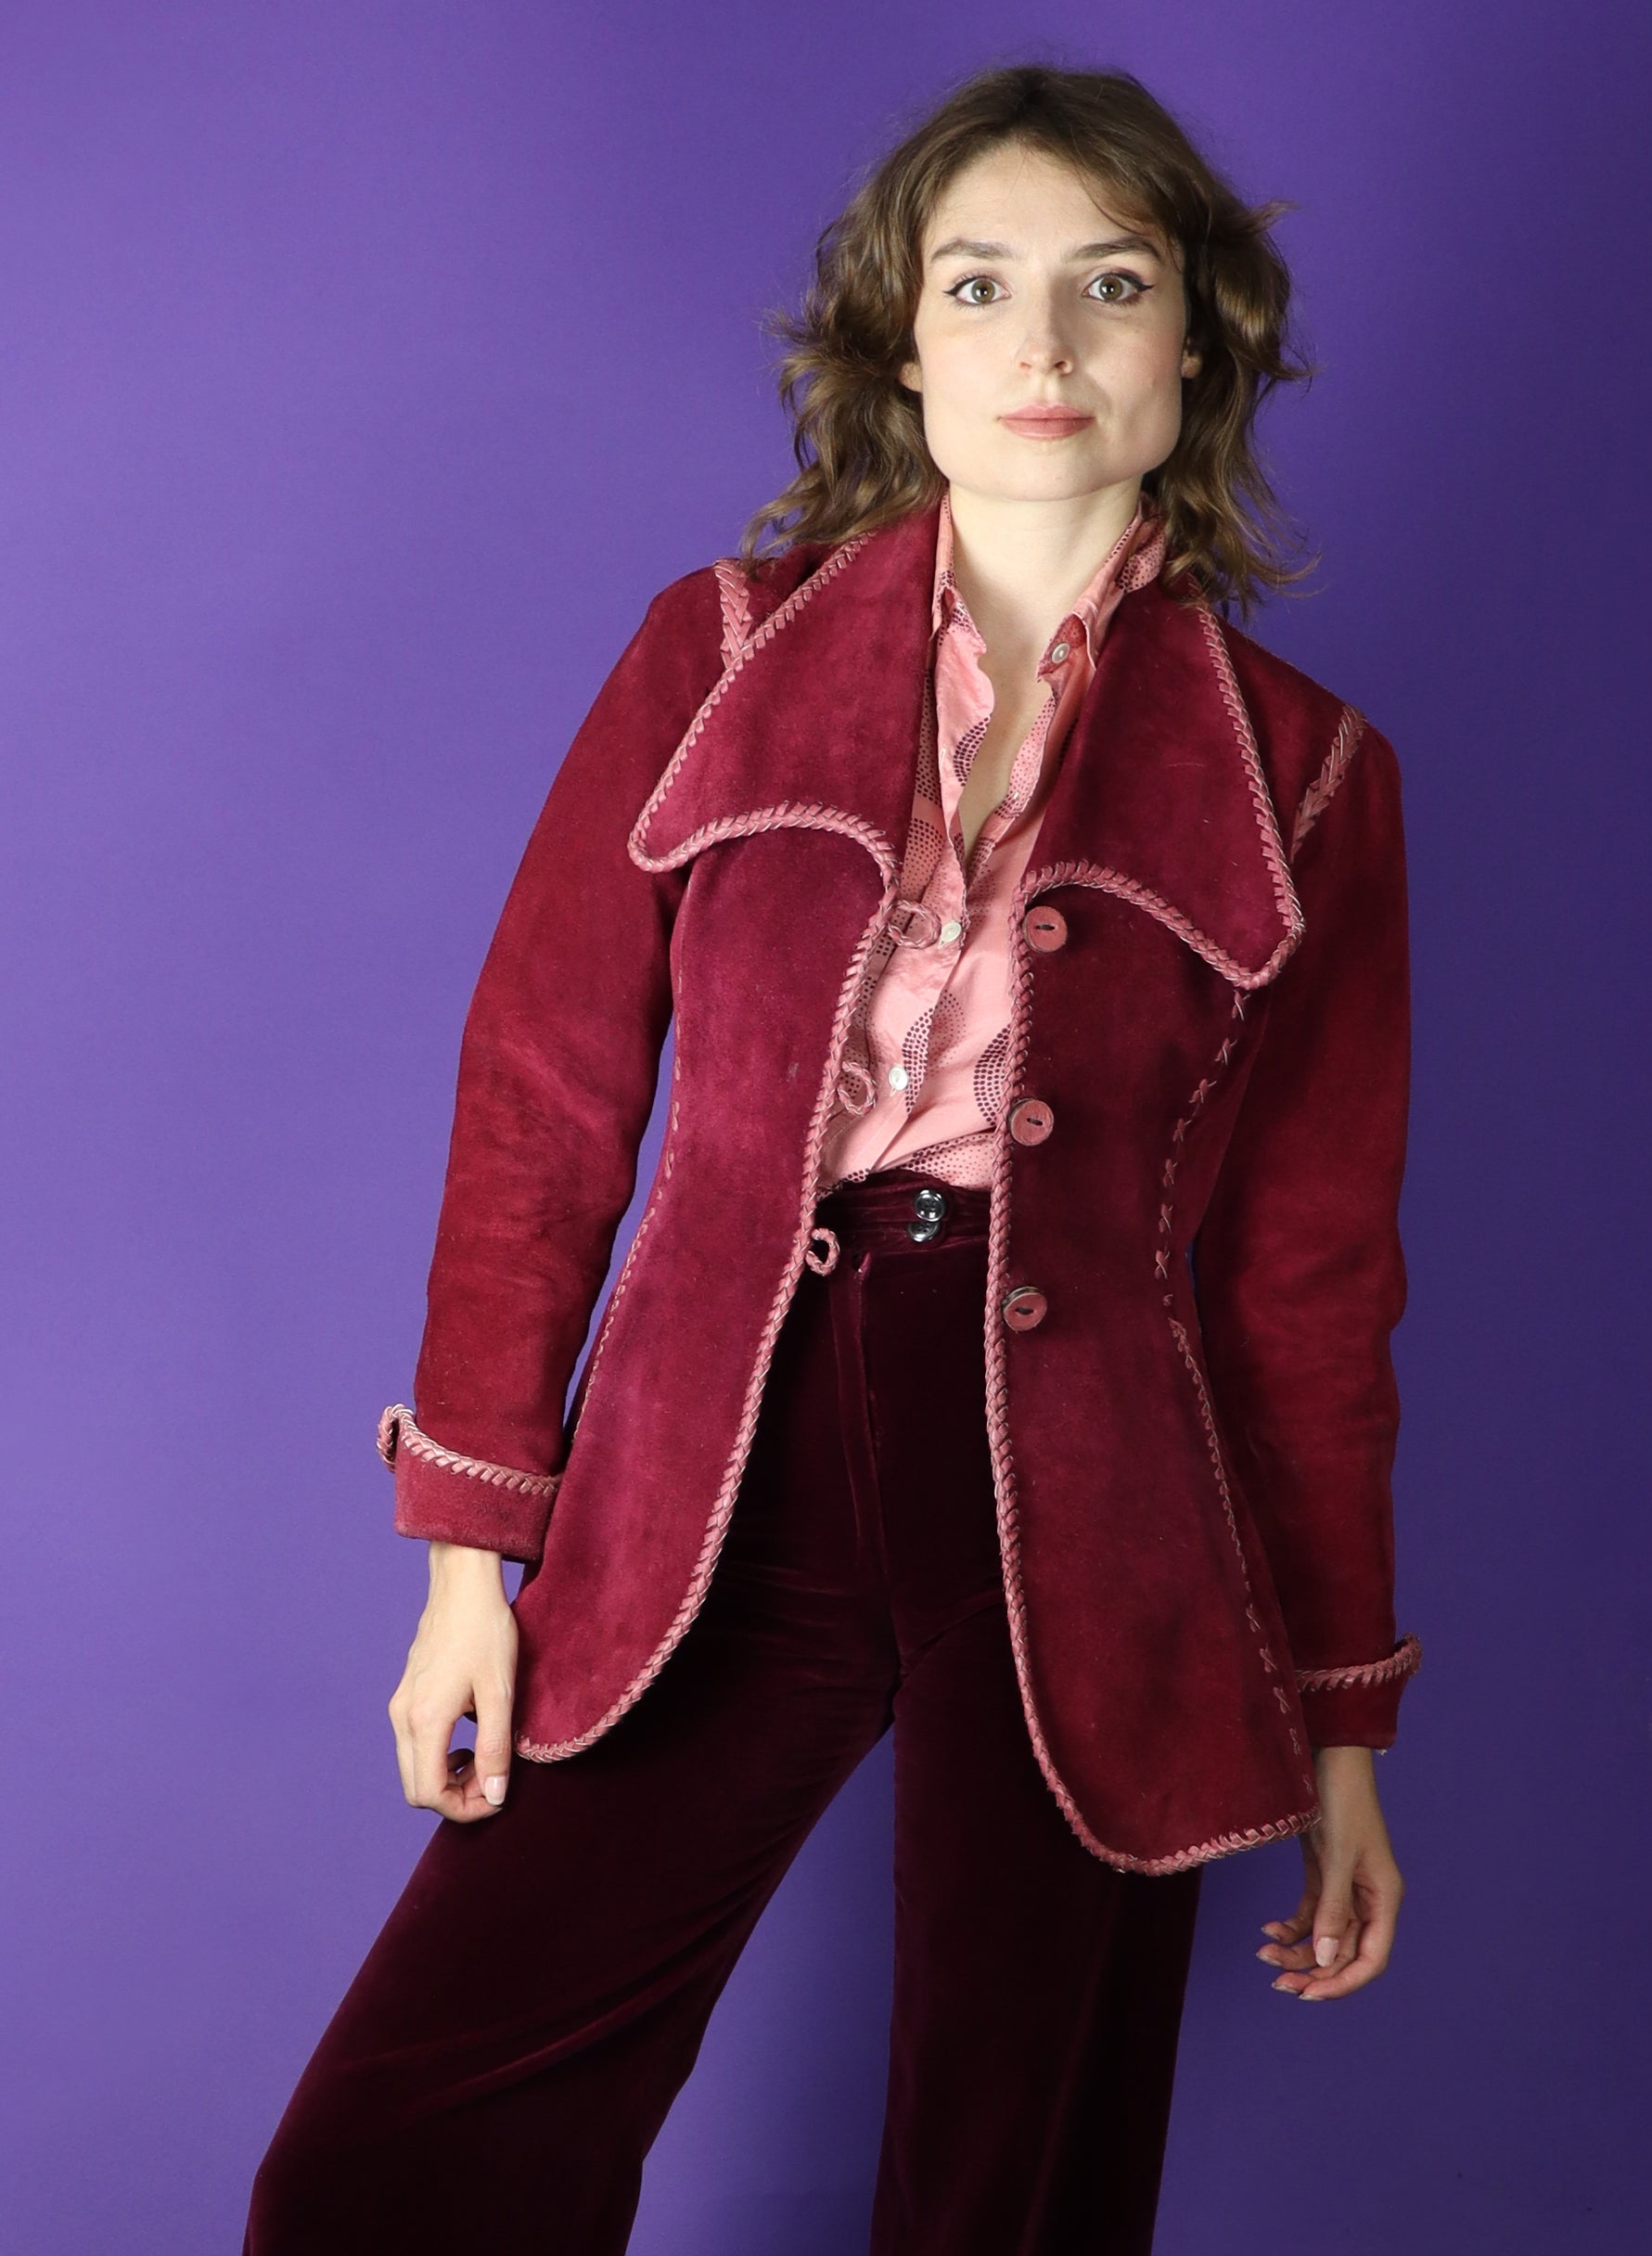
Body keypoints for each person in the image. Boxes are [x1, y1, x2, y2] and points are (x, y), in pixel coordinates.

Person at [245, 60, 1421, 2256]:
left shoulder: (1309, 780)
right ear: (902, 345)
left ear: (1197, 346)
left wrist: (1338, 1724)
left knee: (1008, 2196)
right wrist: (466, 1565)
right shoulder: (714, 651)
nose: (1042, 341)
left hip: (1094, 1510)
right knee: (391, 2163)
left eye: (1110, 285)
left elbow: (1308, 1286)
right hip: (726, 1449)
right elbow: (541, 1102)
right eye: (978, 285)